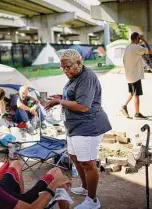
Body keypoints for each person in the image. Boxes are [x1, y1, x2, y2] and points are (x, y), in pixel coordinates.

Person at [45, 49, 112, 209]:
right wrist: (62, 98)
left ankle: (92, 201)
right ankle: (85, 187)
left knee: (88, 163)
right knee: (76, 159)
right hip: (75, 126)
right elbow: (75, 97)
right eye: (63, 68)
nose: (65, 71)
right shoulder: (74, 77)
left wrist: (60, 103)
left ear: (79, 63)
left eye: (68, 67)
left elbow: (83, 106)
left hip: (89, 125)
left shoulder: (86, 77)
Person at [121, 32, 152, 119]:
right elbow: (150, 51)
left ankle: (124, 106)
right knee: (136, 95)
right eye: (139, 38)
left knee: (132, 93)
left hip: (128, 75)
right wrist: (144, 40)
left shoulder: (128, 47)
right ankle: (137, 113)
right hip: (135, 76)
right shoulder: (137, 47)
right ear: (137, 38)